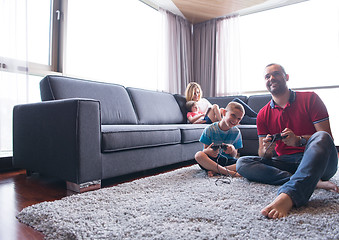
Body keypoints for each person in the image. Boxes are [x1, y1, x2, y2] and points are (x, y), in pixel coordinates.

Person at [236, 63, 338, 219]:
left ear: (286, 77)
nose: (271, 78)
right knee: (242, 163)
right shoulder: (263, 114)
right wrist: (267, 150)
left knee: (321, 137)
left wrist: (299, 140)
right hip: (286, 162)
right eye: (267, 76)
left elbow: (326, 138)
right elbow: (263, 154)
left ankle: (289, 195)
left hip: (319, 163)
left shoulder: (310, 98)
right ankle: (312, 181)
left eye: (276, 74)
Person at [195, 102, 245, 177]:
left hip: (227, 161)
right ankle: (229, 172)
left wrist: (232, 150)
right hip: (212, 161)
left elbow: (234, 155)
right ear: (224, 113)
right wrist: (209, 152)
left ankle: (218, 170)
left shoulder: (236, 132)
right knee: (198, 155)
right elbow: (205, 151)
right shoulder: (210, 129)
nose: (235, 120)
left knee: (244, 162)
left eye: (238, 119)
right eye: (233, 115)